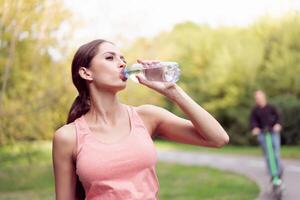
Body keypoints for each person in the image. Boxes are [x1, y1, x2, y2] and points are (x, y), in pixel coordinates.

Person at [52, 39, 229, 200]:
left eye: (122, 58)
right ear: (86, 73)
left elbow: (218, 138)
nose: (121, 63)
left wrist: (173, 91)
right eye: (109, 58)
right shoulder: (68, 137)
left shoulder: (147, 117)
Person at [250, 90, 283, 181]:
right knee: (268, 155)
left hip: (273, 133)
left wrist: (278, 125)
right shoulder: (255, 111)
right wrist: (255, 128)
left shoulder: (271, 108)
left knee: (275, 154)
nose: (258, 100)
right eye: (256, 98)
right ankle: (272, 174)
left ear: (264, 97)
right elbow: (253, 122)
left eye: (259, 97)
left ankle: (279, 173)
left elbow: (278, 117)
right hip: (262, 134)